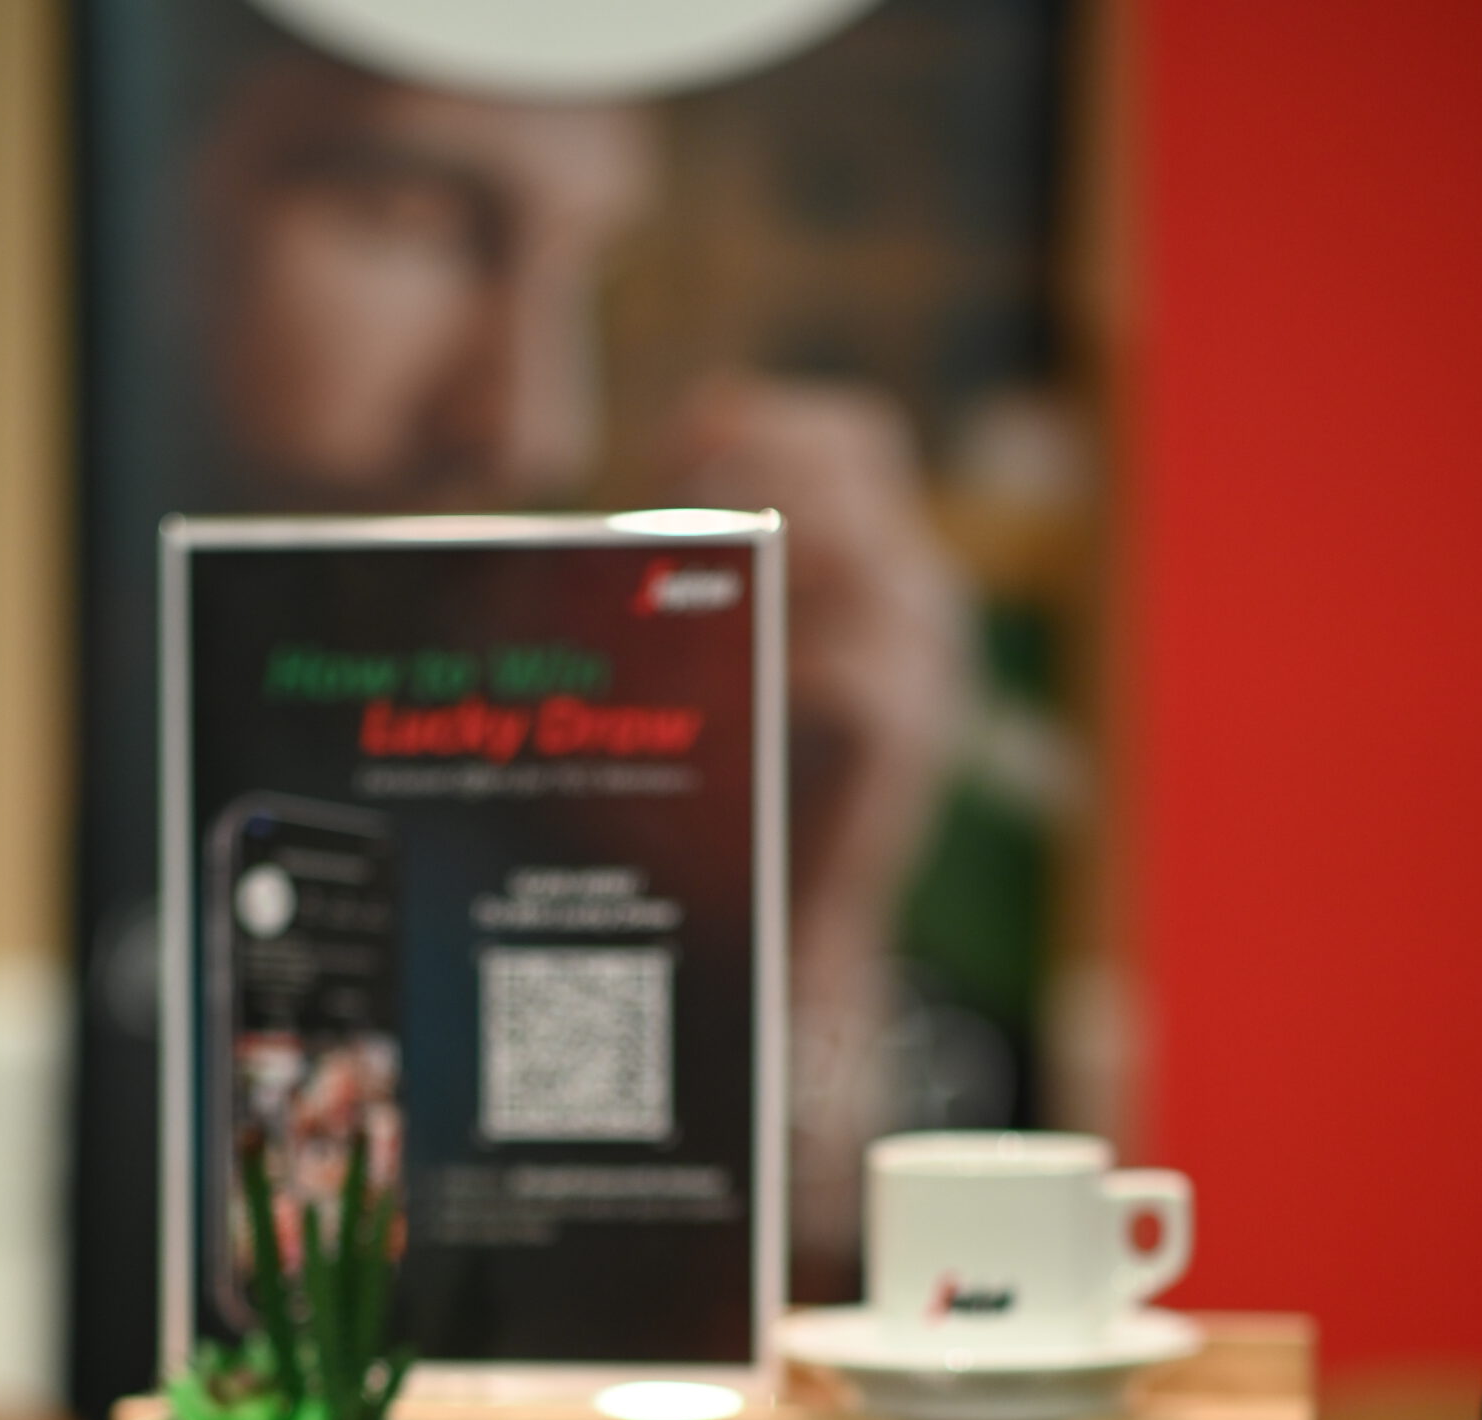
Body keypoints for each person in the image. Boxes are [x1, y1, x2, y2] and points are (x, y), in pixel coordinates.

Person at [187, 55, 968, 1299]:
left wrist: (816, 893)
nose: (531, 427)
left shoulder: (541, 790)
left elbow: (751, 1302)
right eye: (406, 222)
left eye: (598, 276)